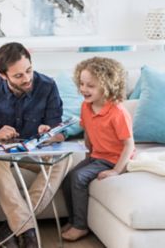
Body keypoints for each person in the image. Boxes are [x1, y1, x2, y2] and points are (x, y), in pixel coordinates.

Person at [0, 42, 72, 248]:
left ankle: (14, 226)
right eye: (18, 76)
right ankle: (29, 235)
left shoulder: (47, 86)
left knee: (64, 160)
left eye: (29, 71)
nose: (27, 79)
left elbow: (59, 133)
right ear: (2, 75)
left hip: (32, 150)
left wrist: (49, 134)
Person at [61, 57, 135, 241]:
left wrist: (116, 170)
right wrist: (88, 154)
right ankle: (73, 219)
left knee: (78, 177)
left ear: (107, 86)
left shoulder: (117, 112)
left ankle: (80, 226)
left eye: (90, 86)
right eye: (81, 84)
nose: (84, 89)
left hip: (115, 159)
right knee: (68, 177)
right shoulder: (86, 106)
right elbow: (88, 131)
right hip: (97, 156)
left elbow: (129, 144)